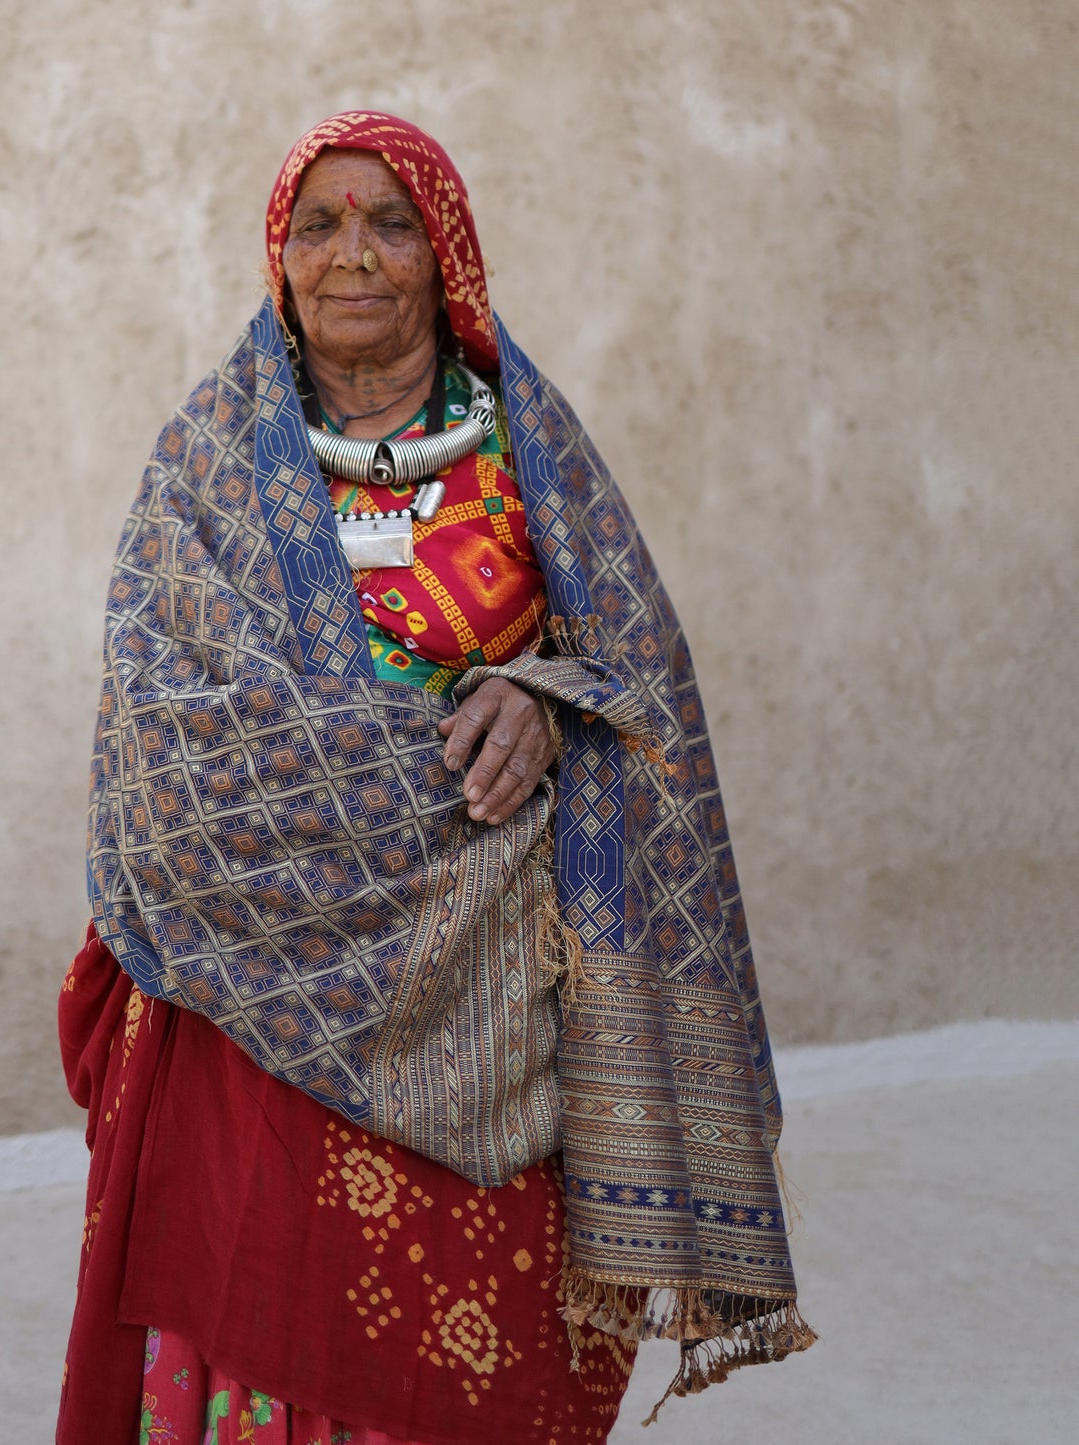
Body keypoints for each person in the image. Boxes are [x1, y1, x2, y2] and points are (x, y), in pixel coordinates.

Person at [57, 112, 813, 1445]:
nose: (353, 254)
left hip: (499, 1019)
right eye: (318, 225)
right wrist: (379, 772)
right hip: (250, 1006)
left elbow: (640, 690)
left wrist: (542, 696)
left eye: (390, 221)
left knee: (475, 1376)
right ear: (277, 261)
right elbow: (160, 737)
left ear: (444, 257)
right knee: (255, 1328)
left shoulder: (533, 461)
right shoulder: (205, 470)